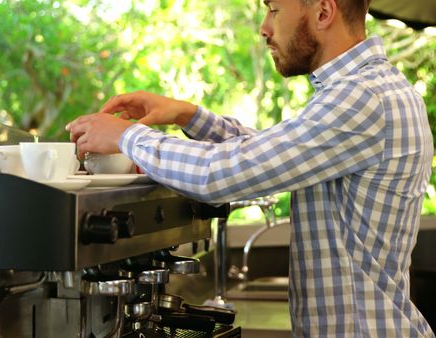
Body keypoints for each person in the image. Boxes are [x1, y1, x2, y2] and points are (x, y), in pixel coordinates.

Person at [66, 0, 435, 336]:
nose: (264, 27)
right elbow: (273, 151)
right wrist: (188, 114)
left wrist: (129, 137)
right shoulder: (368, 90)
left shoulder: (361, 97)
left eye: (273, 10)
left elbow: (224, 175)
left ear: (323, 12)